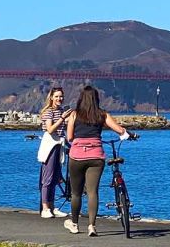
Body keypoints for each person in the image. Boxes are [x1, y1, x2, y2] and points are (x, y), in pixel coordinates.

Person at [64, 85, 135, 236]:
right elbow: (120, 130)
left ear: (81, 99)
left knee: (76, 193)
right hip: (96, 157)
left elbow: (69, 137)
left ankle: (75, 224)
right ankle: (92, 226)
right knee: (92, 192)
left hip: (76, 157)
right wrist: (130, 134)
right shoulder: (102, 114)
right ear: (96, 99)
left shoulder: (75, 115)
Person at [39, 86, 73, 218]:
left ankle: (52, 207)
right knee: (47, 178)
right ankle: (45, 207)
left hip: (59, 144)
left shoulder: (60, 111)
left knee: (55, 178)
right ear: (51, 97)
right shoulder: (49, 112)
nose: (59, 99)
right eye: (57, 96)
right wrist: (62, 118)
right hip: (51, 145)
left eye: (61, 96)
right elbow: (50, 129)